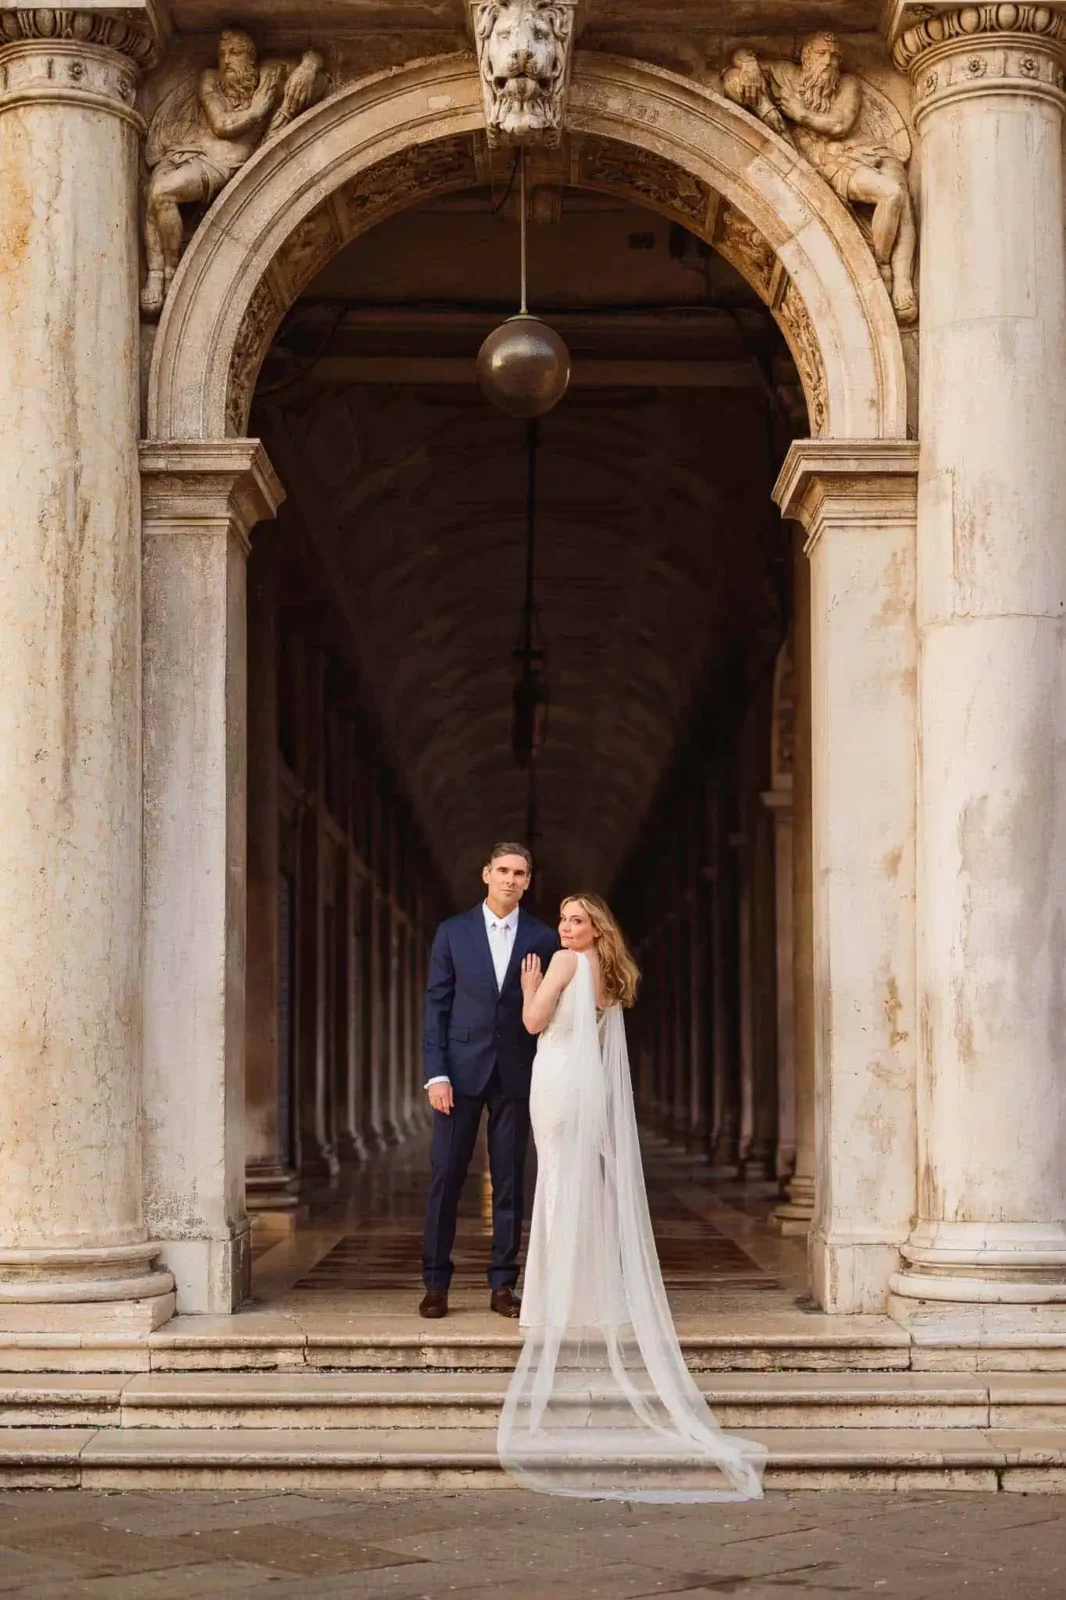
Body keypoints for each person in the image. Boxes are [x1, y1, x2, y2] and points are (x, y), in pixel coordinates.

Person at [499, 893, 765, 1501]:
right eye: (563, 920)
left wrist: (529, 987)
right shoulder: (609, 978)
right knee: (576, 1185)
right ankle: (582, 1291)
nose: (565, 928)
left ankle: (553, 1299)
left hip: (559, 1085)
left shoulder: (564, 965)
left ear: (595, 930)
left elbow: (532, 1024)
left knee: (559, 1186)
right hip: (583, 1090)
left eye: (575, 921)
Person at [420, 843, 558, 1319]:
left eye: (520, 873)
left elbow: (550, 1010)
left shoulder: (543, 938)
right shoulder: (452, 933)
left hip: (516, 1073)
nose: (510, 880)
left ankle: (503, 1284)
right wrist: (436, 1073)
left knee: (509, 1182)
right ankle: (436, 1283)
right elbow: (436, 1006)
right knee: (446, 1177)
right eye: (502, 870)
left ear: (528, 881)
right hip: (457, 1074)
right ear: (485, 874)